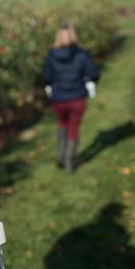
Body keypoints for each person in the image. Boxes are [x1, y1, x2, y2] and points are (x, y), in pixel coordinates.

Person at [42, 24, 99, 172]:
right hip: (77, 97)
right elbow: (93, 73)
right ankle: (69, 159)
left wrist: (50, 85)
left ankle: (61, 156)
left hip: (58, 98)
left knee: (62, 124)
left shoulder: (51, 55)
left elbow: (47, 77)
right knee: (73, 127)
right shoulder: (82, 54)